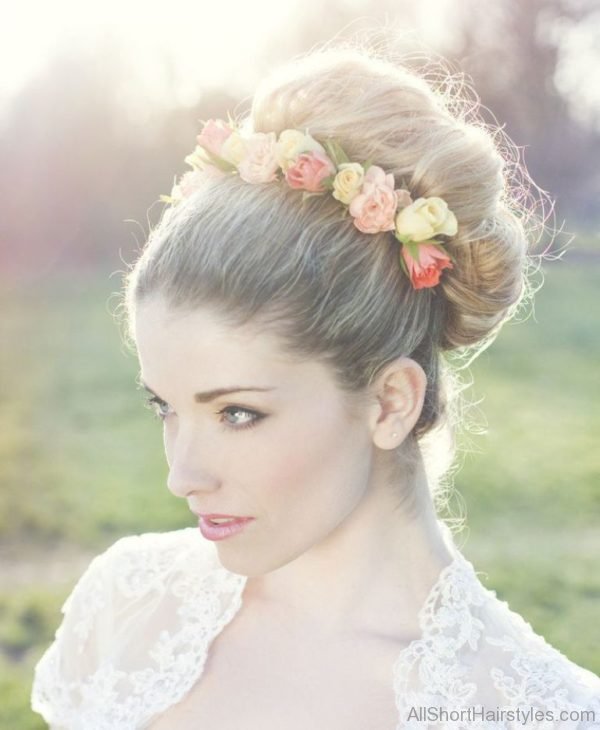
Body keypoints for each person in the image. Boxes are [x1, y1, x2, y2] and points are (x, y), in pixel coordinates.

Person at [31, 41, 600, 729]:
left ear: (391, 403)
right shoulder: (128, 610)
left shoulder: (530, 713)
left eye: (237, 414)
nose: (181, 476)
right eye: (165, 408)